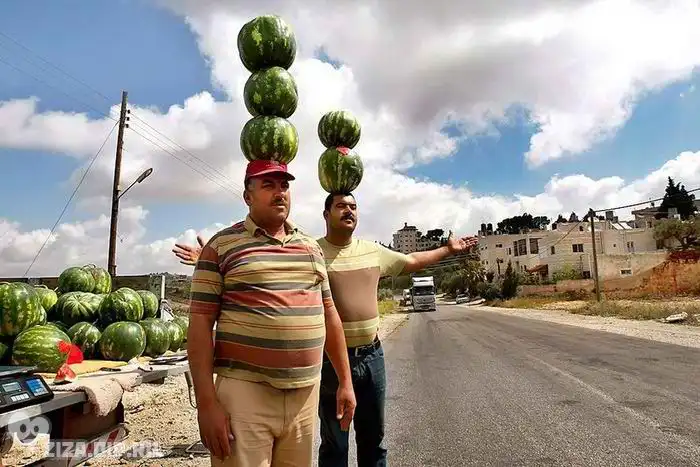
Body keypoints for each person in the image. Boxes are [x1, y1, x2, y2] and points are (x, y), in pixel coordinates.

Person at [174, 191, 478, 467]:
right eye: (341, 206)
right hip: (329, 361)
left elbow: (412, 259)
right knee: (335, 443)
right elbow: (264, 265)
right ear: (326, 214)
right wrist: (210, 261)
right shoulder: (309, 248)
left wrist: (448, 249)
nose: (349, 211)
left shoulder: (372, 251)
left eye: (353, 206)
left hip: (372, 356)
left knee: (374, 439)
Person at [185, 159, 356, 467]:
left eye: (284, 186)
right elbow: (199, 324)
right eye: (268, 185)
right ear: (247, 196)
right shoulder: (221, 246)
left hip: (304, 397)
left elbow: (329, 314)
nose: (280, 193)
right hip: (245, 394)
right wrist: (206, 404)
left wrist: (345, 381)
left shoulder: (310, 247)